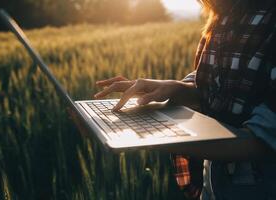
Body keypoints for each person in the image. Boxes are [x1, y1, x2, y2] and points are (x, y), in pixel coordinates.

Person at [94, 0, 276, 199]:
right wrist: (174, 88)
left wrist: (154, 135)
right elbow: (215, 92)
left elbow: (260, 143)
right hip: (211, 186)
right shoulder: (223, 12)